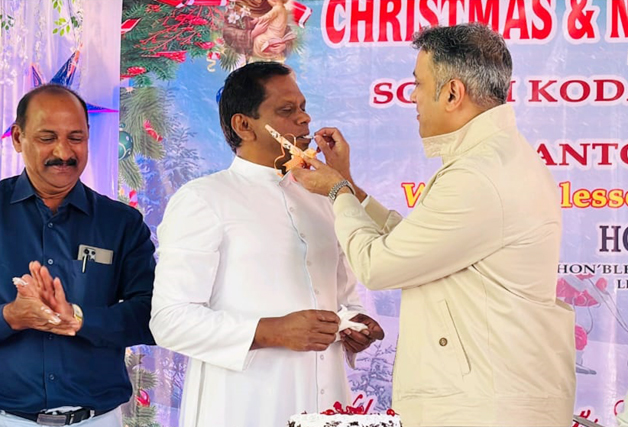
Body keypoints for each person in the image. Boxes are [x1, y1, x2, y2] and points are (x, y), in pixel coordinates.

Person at [292, 23, 576, 427]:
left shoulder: (478, 174)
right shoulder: (496, 158)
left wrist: (336, 191)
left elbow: (378, 265)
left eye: (418, 84)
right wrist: (350, 187)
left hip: (483, 408)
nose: (412, 97)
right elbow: (419, 245)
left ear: (453, 93)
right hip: (488, 397)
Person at [149, 61, 384, 427]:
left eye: (303, 107)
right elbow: (170, 321)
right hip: (242, 405)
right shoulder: (205, 198)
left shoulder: (324, 198)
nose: (304, 119)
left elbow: (343, 299)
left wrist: (354, 325)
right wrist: (271, 331)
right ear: (244, 125)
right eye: (287, 110)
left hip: (328, 403)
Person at [0, 84, 155, 426]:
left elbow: (152, 316)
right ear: (18, 138)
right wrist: (11, 316)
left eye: (76, 138)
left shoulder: (121, 223)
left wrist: (80, 319)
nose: (64, 151)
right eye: (47, 137)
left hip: (97, 419)